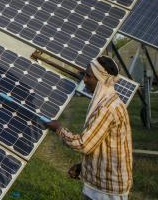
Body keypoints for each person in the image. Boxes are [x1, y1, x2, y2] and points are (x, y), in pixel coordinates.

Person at [45, 56, 133, 200]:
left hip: (107, 190)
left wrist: (58, 129)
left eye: (88, 76)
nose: (84, 79)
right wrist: (84, 167)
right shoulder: (108, 101)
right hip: (101, 183)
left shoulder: (106, 108)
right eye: (84, 75)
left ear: (100, 79)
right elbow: (100, 144)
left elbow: (84, 144)